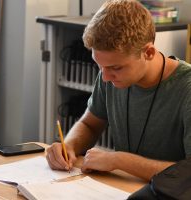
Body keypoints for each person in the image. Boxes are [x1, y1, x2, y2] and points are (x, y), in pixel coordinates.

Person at [46, 0, 191, 181]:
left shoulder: (186, 89)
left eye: (116, 68)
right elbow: (89, 124)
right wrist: (69, 146)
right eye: (100, 66)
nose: (105, 77)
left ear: (148, 53)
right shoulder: (109, 75)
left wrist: (120, 160)